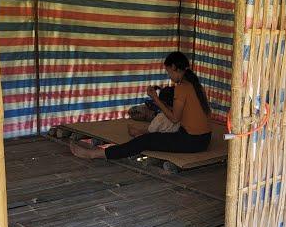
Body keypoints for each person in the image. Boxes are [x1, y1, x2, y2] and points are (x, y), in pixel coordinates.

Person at [70, 51, 212, 160]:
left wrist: (156, 99)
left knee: (144, 141)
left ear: (174, 68)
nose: (169, 76)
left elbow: (175, 118)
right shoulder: (196, 85)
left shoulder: (182, 87)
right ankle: (103, 149)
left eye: (169, 72)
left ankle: (95, 154)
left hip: (193, 141)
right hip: (204, 139)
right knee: (158, 135)